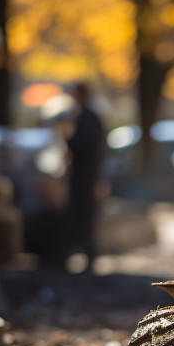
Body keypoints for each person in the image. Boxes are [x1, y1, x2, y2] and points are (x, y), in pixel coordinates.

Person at [64, 82, 105, 262]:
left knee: (83, 215)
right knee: (82, 215)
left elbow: (84, 146)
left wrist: (68, 140)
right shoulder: (88, 117)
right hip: (86, 174)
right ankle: (83, 252)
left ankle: (87, 253)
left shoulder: (87, 118)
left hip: (84, 176)